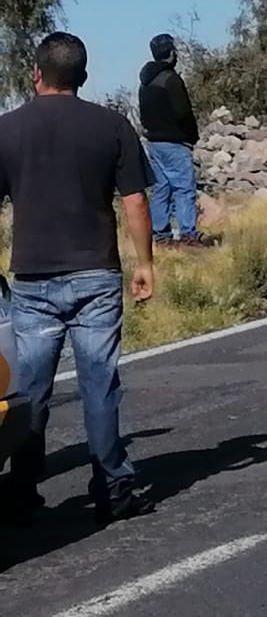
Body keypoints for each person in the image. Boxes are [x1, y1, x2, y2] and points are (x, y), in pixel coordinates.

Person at [0, 32, 157, 527]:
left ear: (36, 73)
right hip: (96, 273)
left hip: (31, 277)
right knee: (99, 384)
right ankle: (114, 488)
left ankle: (23, 490)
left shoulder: (6, 130)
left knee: (31, 390)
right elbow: (135, 201)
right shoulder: (111, 126)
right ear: (83, 77)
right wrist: (145, 263)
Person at [138, 32, 202, 244]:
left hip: (154, 143)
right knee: (184, 188)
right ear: (172, 53)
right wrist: (192, 136)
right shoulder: (171, 80)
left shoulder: (145, 83)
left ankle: (160, 235)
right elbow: (183, 113)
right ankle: (188, 234)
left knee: (162, 188)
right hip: (174, 142)